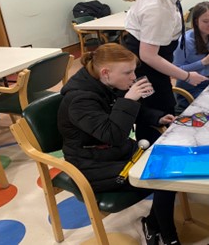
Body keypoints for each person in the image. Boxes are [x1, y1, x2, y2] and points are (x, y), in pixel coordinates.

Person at [57, 43, 180, 245]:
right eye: (128, 72)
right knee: (164, 177)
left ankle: (153, 224)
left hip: (113, 152)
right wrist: (130, 99)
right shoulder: (80, 99)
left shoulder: (104, 83)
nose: (133, 77)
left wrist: (157, 117)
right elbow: (112, 134)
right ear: (106, 73)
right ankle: (168, 237)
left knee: (170, 163)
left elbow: (124, 112)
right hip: (90, 163)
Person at [124, 0, 208, 142]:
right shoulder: (157, 7)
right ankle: (152, 158)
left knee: (161, 109)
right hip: (146, 67)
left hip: (153, 64)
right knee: (158, 116)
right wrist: (186, 76)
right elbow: (148, 55)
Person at [173, 1, 209, 111]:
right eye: (206, 21)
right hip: (188, 87)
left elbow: (208, 63)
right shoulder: (185, 41)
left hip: (206, 81)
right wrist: (203, 62)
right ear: (196, 21)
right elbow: (175, 70)